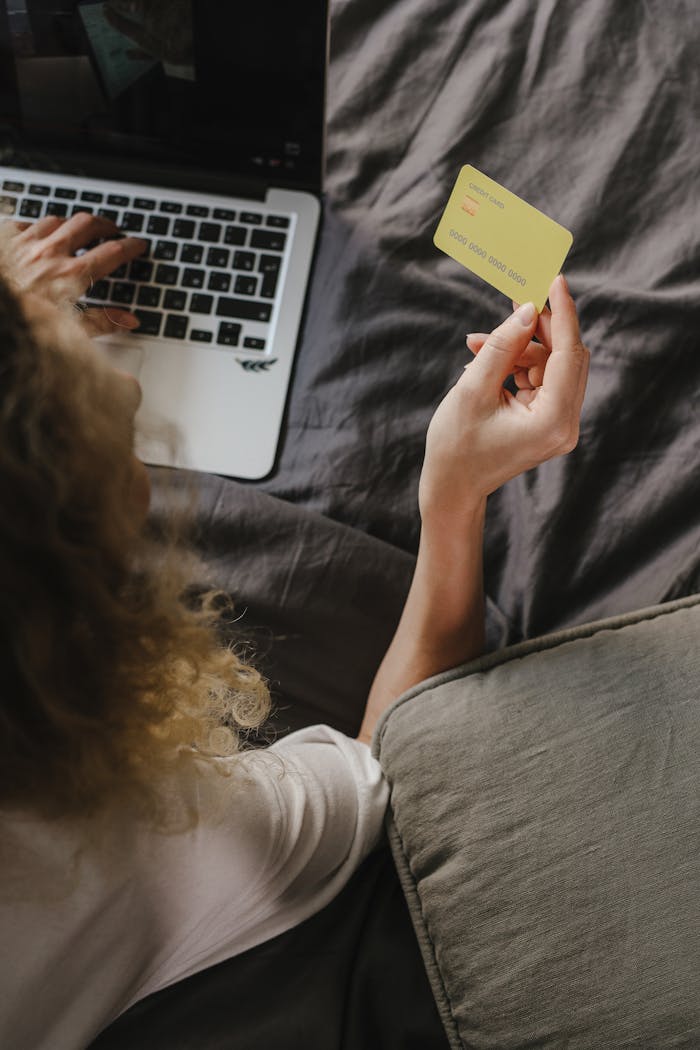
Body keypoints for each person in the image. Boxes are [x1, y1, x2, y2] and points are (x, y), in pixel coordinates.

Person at [0, 212, 589, 1049]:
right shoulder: (125, 837)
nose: (125, 388)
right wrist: (455, 495)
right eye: (108, 442)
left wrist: (19, 340)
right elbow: (384, 773)